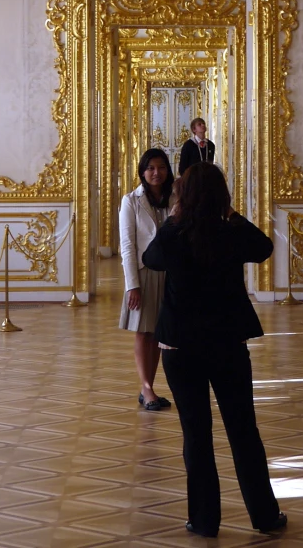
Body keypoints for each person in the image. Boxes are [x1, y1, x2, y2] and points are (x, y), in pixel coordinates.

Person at [142, 162, 287, 537]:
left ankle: (205, 521)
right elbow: (264, 247)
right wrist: (232, 214)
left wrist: (174, 218)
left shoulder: (175, 233)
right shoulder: (230, 232)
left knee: (197, 434)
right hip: (227, 344)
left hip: (181, 347)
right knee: (243, 431)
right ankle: (265, 517)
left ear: (183, 196)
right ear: (221, 197)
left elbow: (150, 258)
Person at [118, 148, 175, 412]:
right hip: (143, 270)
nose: (156, 173)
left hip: (171, 271)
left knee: (160, 332)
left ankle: (148, 387)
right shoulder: (131, 201)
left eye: (161, 167)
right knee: (144, 331)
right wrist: (132, 285)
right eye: (151, 168)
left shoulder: (176, 198)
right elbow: (128, 245)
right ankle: (147, 387)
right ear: (142, 171)